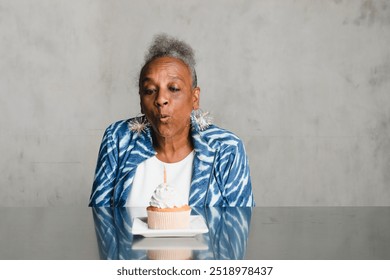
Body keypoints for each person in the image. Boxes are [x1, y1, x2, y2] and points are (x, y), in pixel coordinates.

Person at [89, 34, 254, 207]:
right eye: (150, 90)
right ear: (140, 100)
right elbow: (100, 221)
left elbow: (238, 226)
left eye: (173, 88)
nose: (161, 99)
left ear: (195, 98)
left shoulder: (226, 149)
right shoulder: (118, 139)